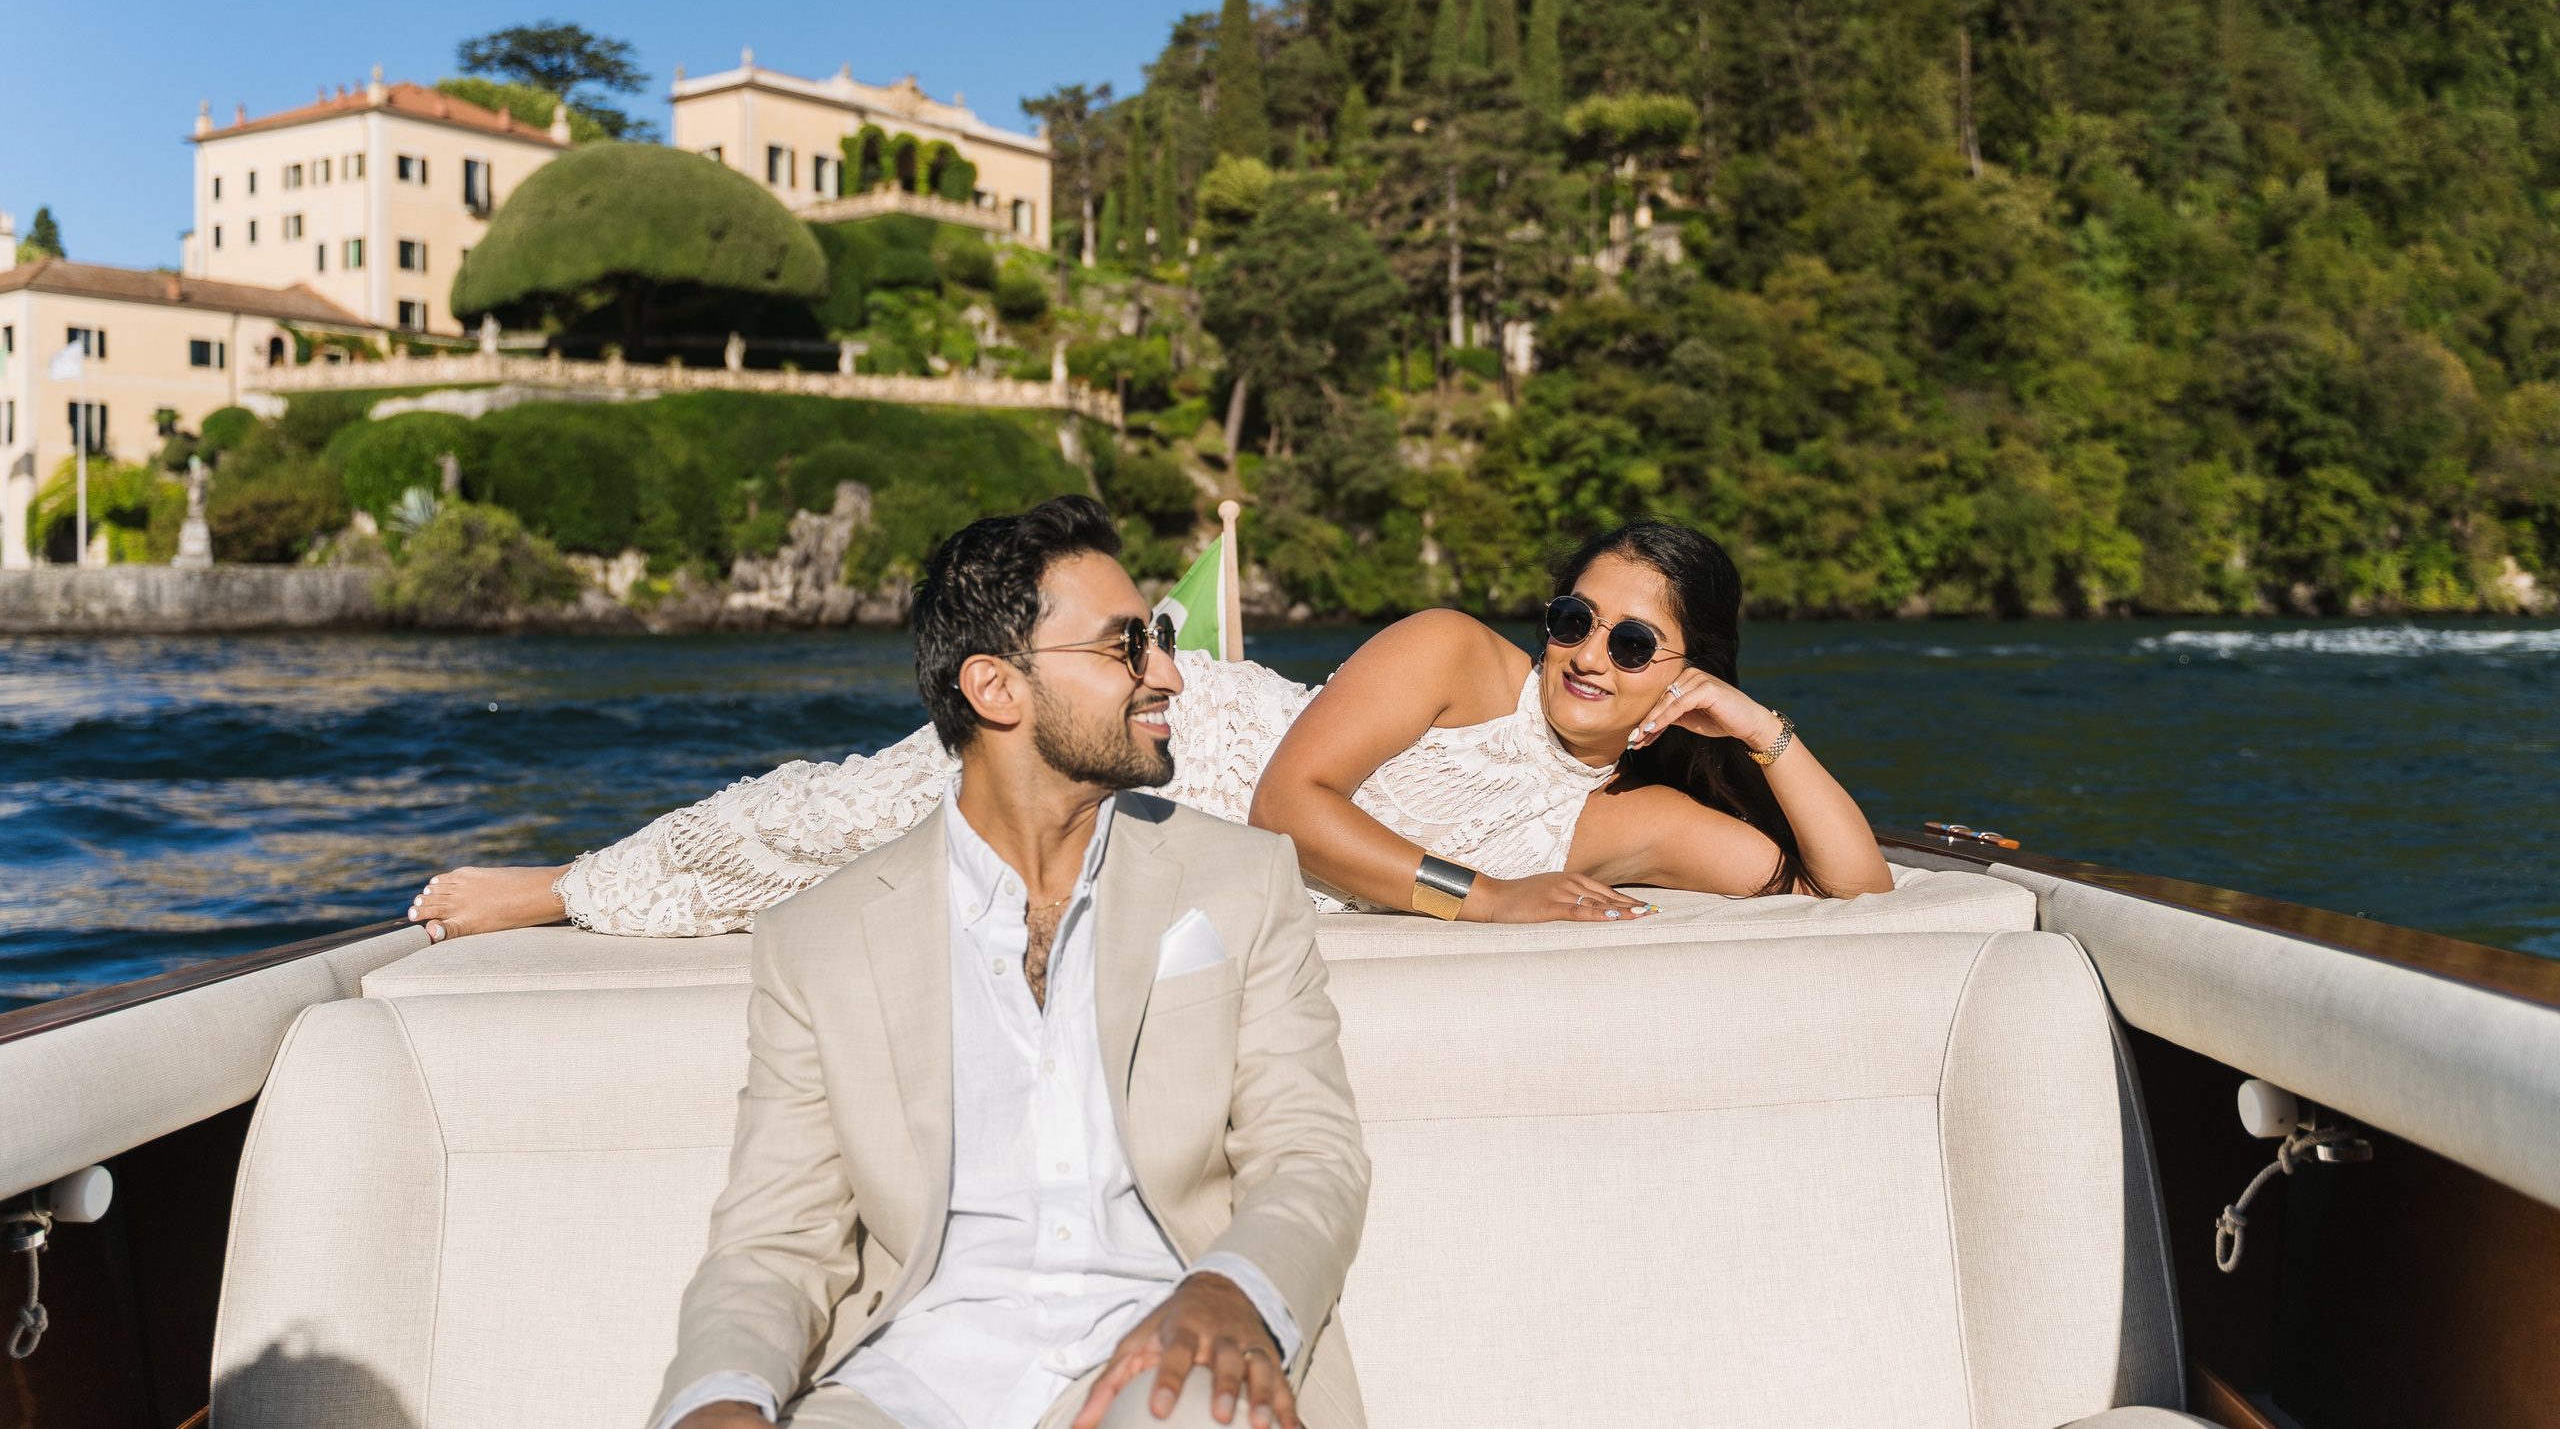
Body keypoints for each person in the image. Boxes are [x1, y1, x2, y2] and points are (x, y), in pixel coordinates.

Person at [653, 496, 1368, 1429]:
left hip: (1166, 1357)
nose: (1169, 674)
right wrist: (719, 1399)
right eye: (1127, 646)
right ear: (996, 689)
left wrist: (1234, 1291)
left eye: (1155, 635)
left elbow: (1311, 1156)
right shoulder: (817, 940)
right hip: (905, 1381)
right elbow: (773, 1245)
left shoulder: (1242, 879)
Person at [409, 512, 1888, 941]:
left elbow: (1848, 888)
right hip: (1213, 749)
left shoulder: (1636, 809)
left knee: (934, 898)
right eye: (1573, 613)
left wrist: (1761, 731)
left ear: (1674, 684)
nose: (1583, 649)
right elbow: (1304, 797)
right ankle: (562, 885)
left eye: (1632, 642)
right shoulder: (1455, 652)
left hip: (1221, 866)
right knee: (872, 807)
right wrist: (1482, 893)